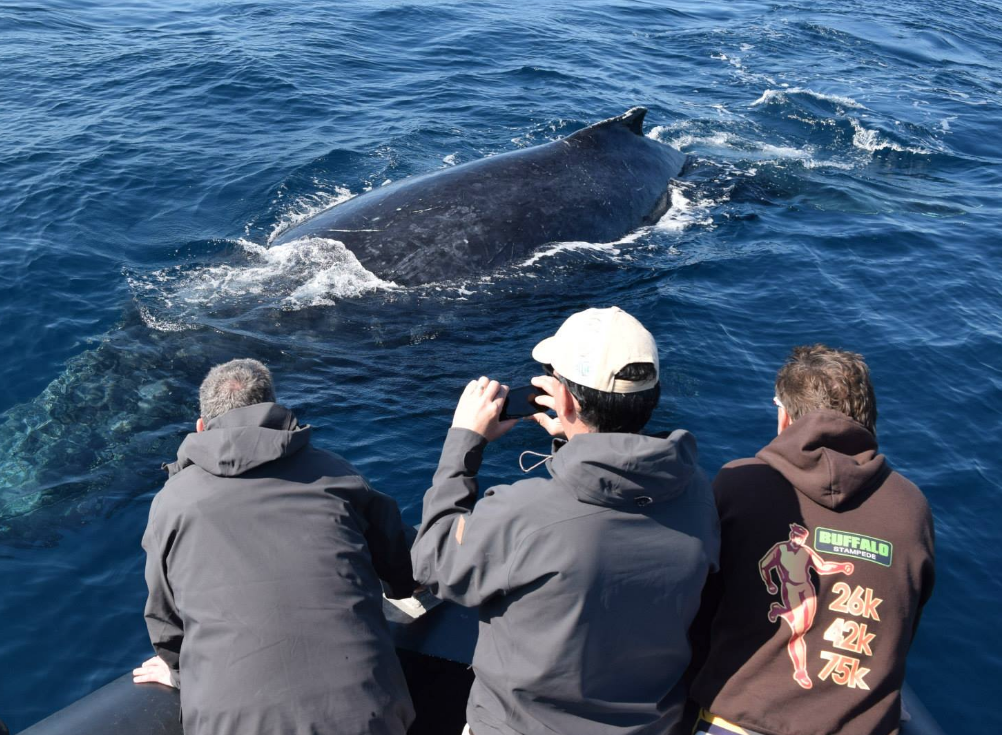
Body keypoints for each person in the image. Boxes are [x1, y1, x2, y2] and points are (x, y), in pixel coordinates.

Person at [410, 306, 719, 735]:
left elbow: (432, 562)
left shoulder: (525, 512)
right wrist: (574, 442)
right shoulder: (697, 493)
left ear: (567, 400)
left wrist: (464, 442)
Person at [132, 358, 416, 735]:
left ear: (201, 426)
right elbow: (400, 563)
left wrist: (181, 672)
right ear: (275, 410)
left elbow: (165, 620)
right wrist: (403, 586)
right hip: (367, 713)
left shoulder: (172, 502)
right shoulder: (337, 473)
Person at [688, 345, 934, 735]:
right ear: (869, 420)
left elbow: (697, 607)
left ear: (785, 417)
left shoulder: (739, 483)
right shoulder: (911, 508)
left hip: (739, 720)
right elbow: (905, 620)